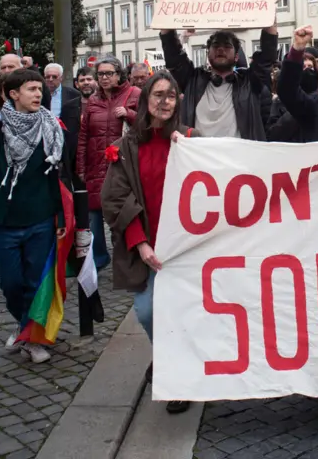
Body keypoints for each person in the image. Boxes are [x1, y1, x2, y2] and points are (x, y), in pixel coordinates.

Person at [0, 47, 66, 364]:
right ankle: (24, 326)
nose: (38, 92)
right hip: (5, 219)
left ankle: (32, 337)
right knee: (10, 283)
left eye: (39, 88)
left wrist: (59, 215)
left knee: (35, 281)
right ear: (12, 94)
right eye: (31, 88)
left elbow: (54, 174)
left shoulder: (50, 126)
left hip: (40, 217)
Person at [101, 71, 192, 415]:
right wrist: (140, 242)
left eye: (171, 95)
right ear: (145, 100)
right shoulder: (127, 146)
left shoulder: (191, 139)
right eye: (158, 95)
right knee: (148, 309)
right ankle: (167, 355)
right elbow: (114, 197)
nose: (164, 101)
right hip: (147, 245)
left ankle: (176, 375)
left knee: (185, 312)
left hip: (186, 247)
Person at [156, 0, 279, 139]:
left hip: (239, 158)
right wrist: (165, 12)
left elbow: (267, 56)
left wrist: (270, 10)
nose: (221, 49)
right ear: (208, 53)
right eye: (215, 46)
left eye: (227, 46)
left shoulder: (250, 81)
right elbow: (173, 56)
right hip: (199, 158)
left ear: (236, 57)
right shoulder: (193, 80)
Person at [77, 57, 140, 274]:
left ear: (119, 74)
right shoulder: (93, 101)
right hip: (96, 164)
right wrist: (81, 167)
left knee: (123, 213)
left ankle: (126, 258)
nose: (104, 78)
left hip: (124, 166)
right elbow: (84, 136)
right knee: (94, 213)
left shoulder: (134, 94)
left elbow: (148, 124)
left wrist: (130, 114)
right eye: (101, 74)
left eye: (109, 73)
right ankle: (99, 258)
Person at [43, 62, 83, 189]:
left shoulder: (73, 94)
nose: (50, 80)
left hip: (67, 141)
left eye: (54, 77)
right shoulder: (38, 93)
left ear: (61, 78)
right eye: (47, 76)